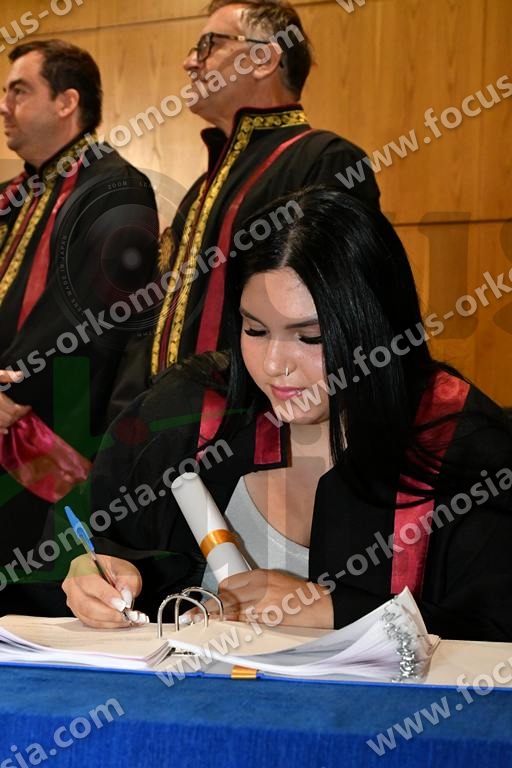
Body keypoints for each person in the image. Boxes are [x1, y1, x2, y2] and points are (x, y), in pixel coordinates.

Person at [63, 187, 512, 640]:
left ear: (375, 327)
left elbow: (494, 630)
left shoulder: (463, 445)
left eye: (310, 337)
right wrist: (90, 571)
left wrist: (335, 610)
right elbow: (93, 538)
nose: (274, 364)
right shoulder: (191, 411)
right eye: (255, 330)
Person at [114, 0, 381, 407]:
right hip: (164, 421)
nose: (190, 62)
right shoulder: (203, 188)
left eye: (208, 45)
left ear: (263, 59)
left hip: (257, 421)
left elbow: (334, 318)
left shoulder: (326, 160)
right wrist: (129, 410)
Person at [0, 40, 159, 615]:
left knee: (35, 598)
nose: (4, 105)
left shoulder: (116, 187)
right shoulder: (15, 196)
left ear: (67, 102)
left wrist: (12, 387)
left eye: (19, 91)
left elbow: (96, 312)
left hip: (57, 425)